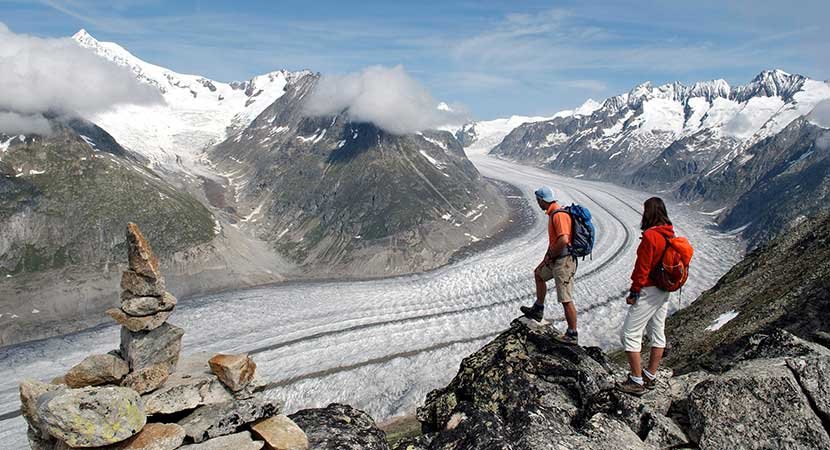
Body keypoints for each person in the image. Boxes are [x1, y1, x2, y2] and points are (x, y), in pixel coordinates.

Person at [617, 197, 675, 396]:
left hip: (649, 290)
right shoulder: (669, 233)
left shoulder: (651, 236)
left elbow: (642, 268)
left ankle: (636, 380)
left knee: (630, 334)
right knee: (657, 332)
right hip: (663, 289)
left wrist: (634, 292)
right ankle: (650, 375)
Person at [520, 186, 579, 345]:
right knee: (539, 274)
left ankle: (572, 333)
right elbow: (555, 241)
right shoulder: (553, 214)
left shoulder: (559, 215)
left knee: (565, 298)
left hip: (564, 261)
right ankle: (538, 309)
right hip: (556, 258)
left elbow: (563, 240)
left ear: (541, 200)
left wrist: (552, 256)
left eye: (538, 200)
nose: (537, 203)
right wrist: (545, 260)